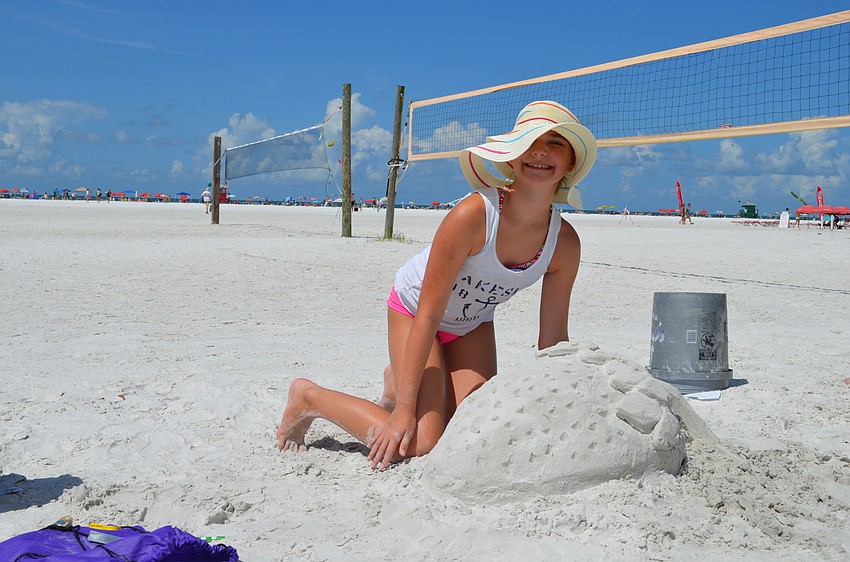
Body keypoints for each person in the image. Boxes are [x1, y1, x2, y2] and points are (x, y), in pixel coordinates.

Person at [277, 100, 597, 470]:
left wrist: (560, 408)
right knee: (420, 443)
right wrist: (405, 412)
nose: (541, 150)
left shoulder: (564, 243)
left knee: (474, 428)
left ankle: (396, 382)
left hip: (471, 326)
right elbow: (428, 314)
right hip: (416, 315)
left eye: (556, 143)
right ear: (511, 157)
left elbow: (552, 340)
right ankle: (309, 397)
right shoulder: (474, 214)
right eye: (529, 141)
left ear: (570, 163)